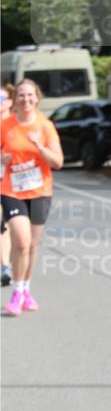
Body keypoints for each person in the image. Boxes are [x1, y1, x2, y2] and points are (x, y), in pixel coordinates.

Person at [1, 79, 64, 316]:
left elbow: (58, 162)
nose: (26, 100)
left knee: (33, 246)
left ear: (37, 98)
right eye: (21, 96)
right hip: (12, 191)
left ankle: (26, 289)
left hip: (40, 193)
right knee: (21, 241)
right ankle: (16, 294)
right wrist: (1, 158)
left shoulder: (46, 126)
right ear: (15, 100)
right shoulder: (5, 126)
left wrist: (40, 148)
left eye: (30, 96)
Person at [0, 86, 15, 286]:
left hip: (15, 183)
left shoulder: (16, 125)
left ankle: (6, 264)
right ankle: (5, 266)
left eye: (1, 98)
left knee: (9, 226)